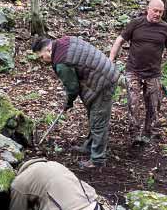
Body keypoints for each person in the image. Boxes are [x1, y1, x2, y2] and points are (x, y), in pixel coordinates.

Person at [33, 36, 120, 168]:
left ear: (49, 49)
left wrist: (68, 102)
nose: (42, 61)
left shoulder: (61, 61)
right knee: (94, 116)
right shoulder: (64, 42)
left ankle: (97, 160)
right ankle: (89, 146)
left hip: (103, 81)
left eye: (41, 57)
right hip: (100, 75)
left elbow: (72, 87)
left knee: (98, 121)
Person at [109, 0, 167, 144]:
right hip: (133, 70)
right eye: (155, 10)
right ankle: (135, 134)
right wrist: (110, 61)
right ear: (148, 9)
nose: (157, 14)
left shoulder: (165, 28)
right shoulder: (136, 24)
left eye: (160, 12)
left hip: (153, 72)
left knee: (154, 104)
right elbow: (119, 41)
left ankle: (150, 133)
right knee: (133, 102)